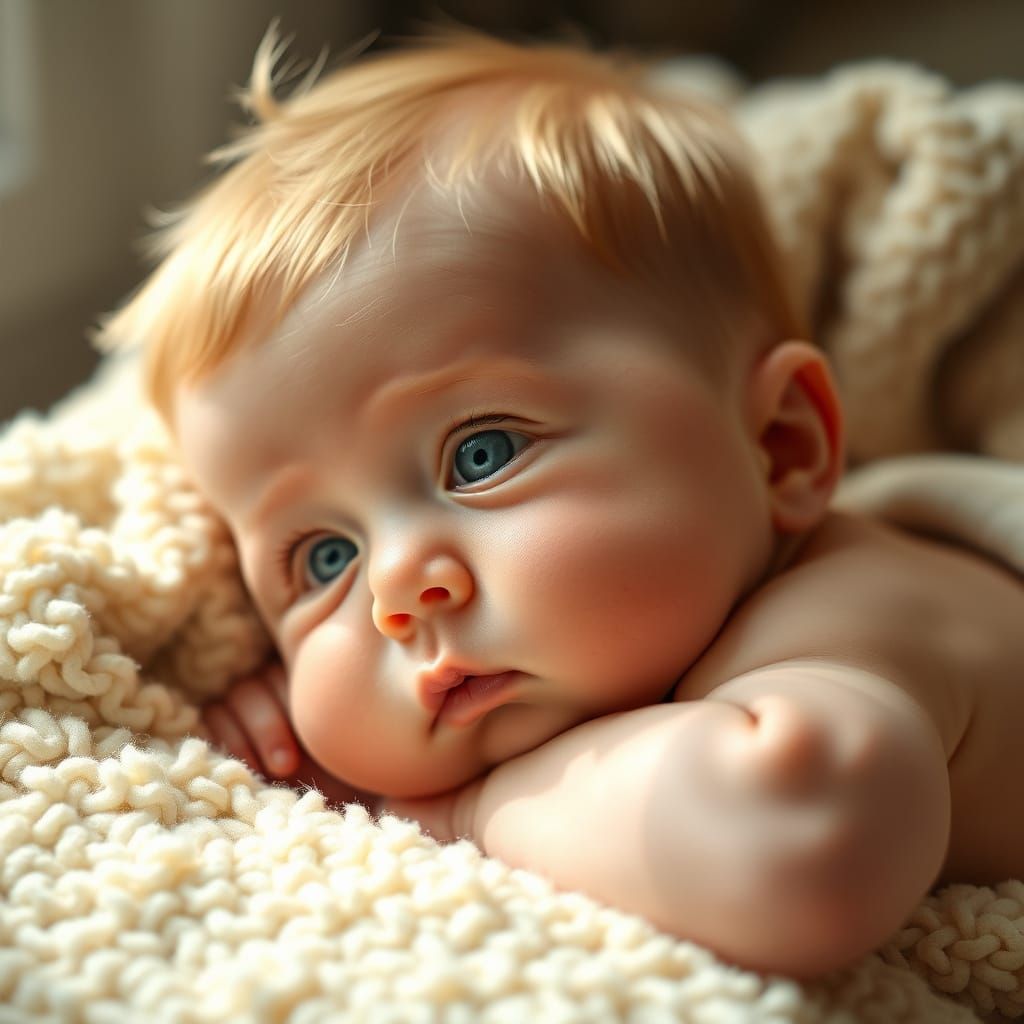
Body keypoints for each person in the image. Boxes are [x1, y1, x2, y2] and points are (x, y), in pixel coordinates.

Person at [97, 27, 1024, 978]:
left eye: (481, 454)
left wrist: (460, 814)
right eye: (324, 559)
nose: (398, 593)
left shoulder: (853, 610)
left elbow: (795, 848)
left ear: (781, 447)